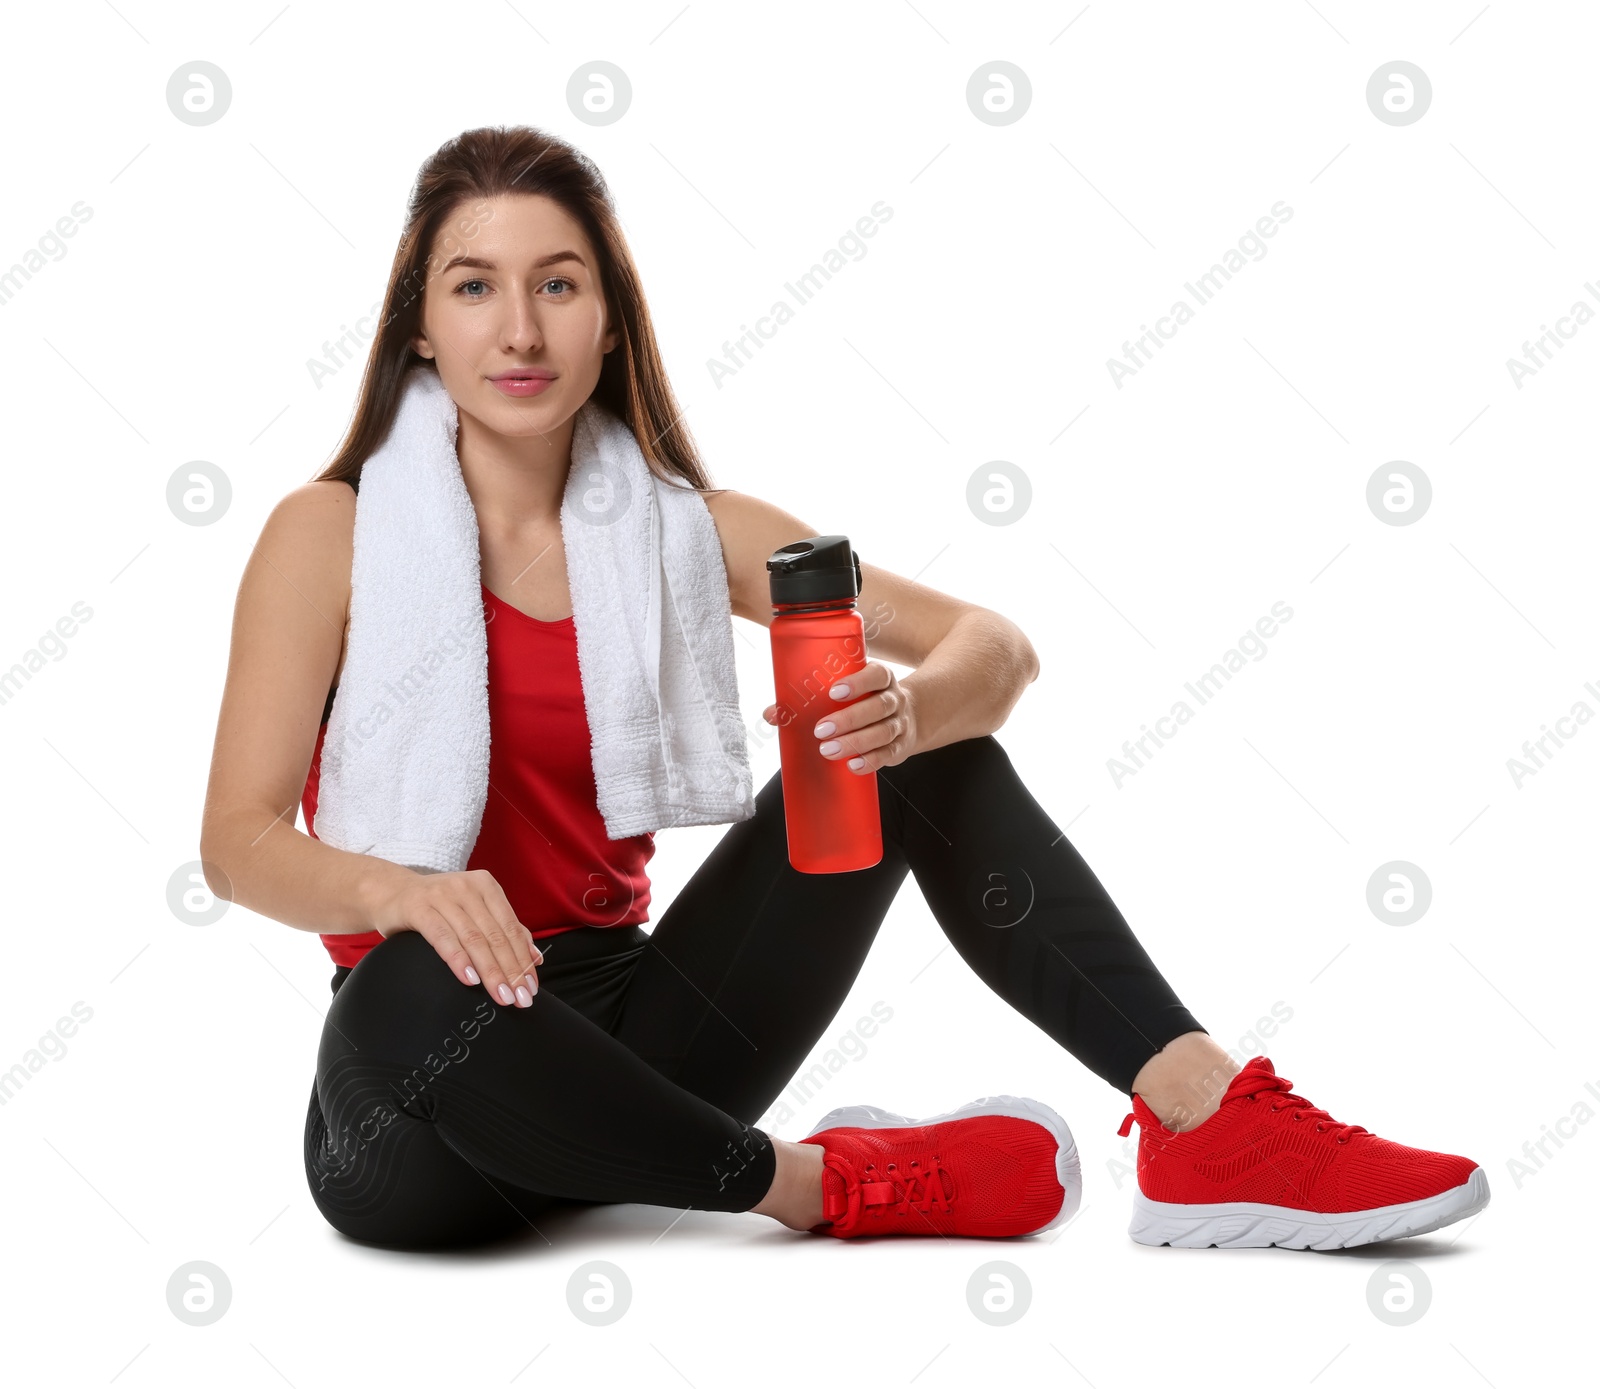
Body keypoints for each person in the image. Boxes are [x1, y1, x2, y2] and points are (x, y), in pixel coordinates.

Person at [198, 125, 1488, 1252]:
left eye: (558, 283)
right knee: (412, 982)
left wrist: (912, 715)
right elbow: (236, 845)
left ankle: (1209, 1119)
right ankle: (826, 1187)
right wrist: (397, 892)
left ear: (610, 316)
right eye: (475, 286)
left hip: (642, 1035)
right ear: (422, 323)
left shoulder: (685, 532)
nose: (520, 328)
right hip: (422, 1108)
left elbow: (995, 643)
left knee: (924, 763)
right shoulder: (334, 534)